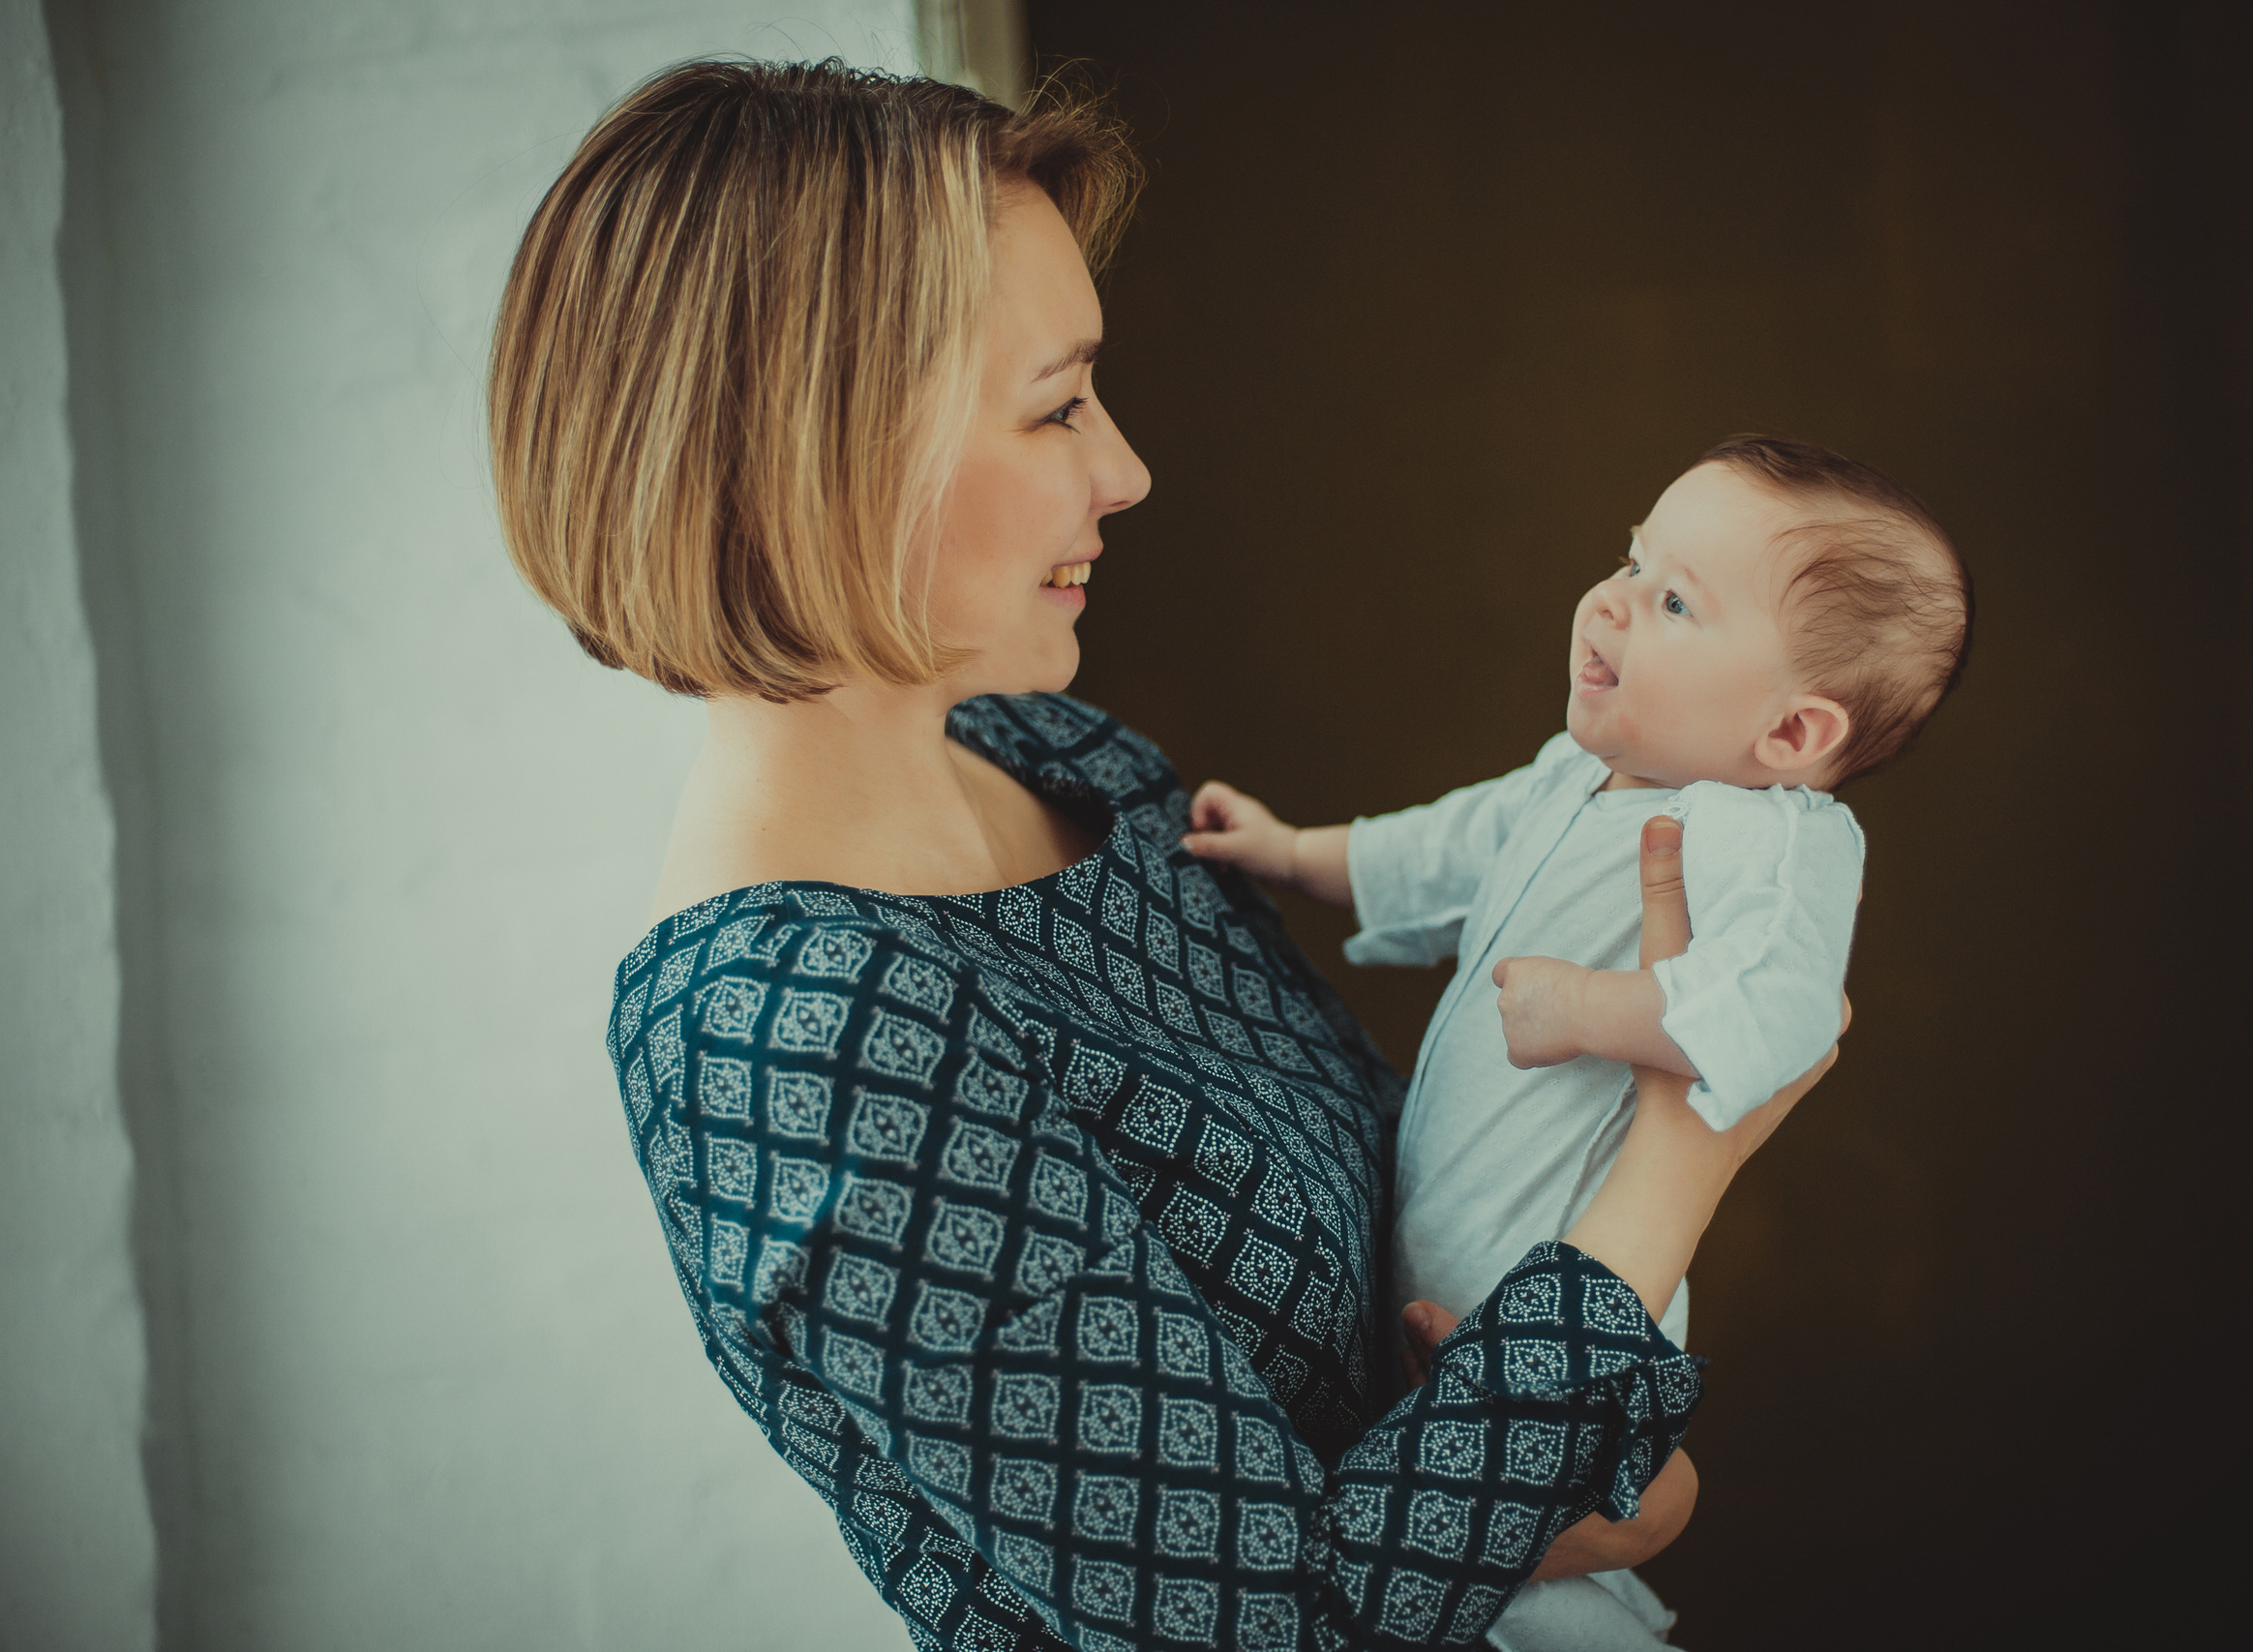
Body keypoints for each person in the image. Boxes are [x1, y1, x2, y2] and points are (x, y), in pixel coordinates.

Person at [486, 59, 1836, 1652]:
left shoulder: (1068, 768)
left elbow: (1411, 1333)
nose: (1122, 469)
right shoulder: (791, 1029)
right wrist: (1680, 1158)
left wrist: (1616, 1486)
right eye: (1057, 406)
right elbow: (1290, 1623)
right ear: (825, 454)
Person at [1185, 440, 1968, 1646]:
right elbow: (1441, 850)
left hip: (1569, 1305)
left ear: (1793, 730)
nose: (1607, 600)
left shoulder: (1769, 835)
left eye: (1670, 601)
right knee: (1471, 1586)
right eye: (1627, 559)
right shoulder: (1574, 778)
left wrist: (1587, 1013)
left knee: (1549, 1605)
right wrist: (1293, 853)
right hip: (1439, 1310)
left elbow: (1784, 1009)